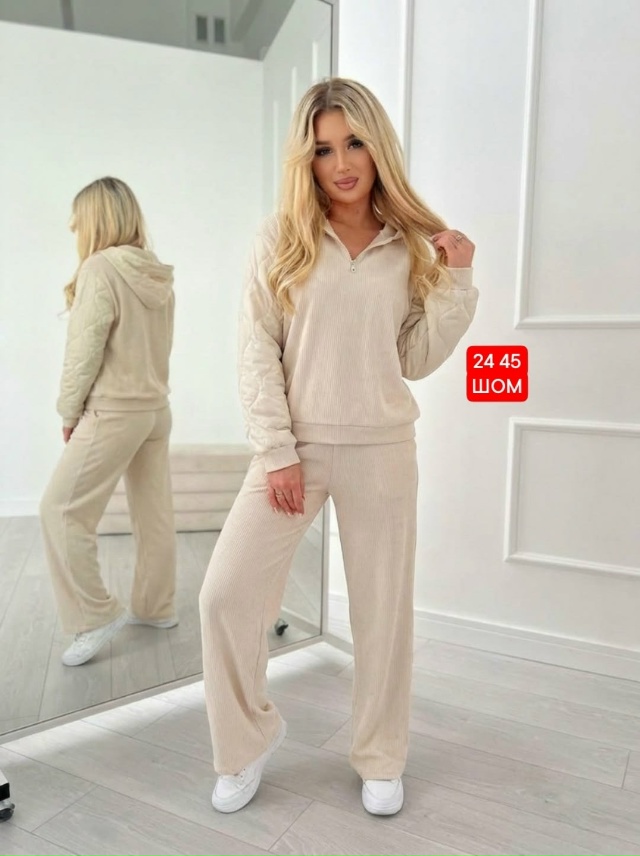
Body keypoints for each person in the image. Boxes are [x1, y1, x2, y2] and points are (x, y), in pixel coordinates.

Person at [199, 78, 478, 816]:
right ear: (308, 159)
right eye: (323, 149)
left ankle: (381, 755)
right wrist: (277, 451)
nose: (342, 163)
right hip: (294, 449)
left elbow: (412, 357)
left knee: (383, 613)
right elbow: (256, 350)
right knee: (225, 596)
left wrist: (455, 283)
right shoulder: (280, 238)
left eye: (354, 143)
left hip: (383, 448)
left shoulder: (408, 245)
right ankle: (244, 743)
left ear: (376, 145)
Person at [40, 177, 177, 668]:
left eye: (79, 221)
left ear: (96, 221)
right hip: (155, 410)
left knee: (59, 509)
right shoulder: (156, 273)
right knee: (153, 514)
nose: (74, 229)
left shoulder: (100, 268)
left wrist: (69, 410)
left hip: (114, 410)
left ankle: (94, 616)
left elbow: (83, 351)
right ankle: (156, 608)